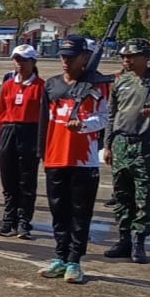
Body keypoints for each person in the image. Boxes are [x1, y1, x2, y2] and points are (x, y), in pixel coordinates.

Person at [37, 36, 109, 284]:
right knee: (59, 211)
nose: (65, 61)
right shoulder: (52, 85)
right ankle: (59, 255)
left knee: (80, 213)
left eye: (71, 57)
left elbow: (104, 118)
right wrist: (42, 153)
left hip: (83, 161)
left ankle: (75, 261)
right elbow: (44, 123)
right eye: (63, 56)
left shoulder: (97, 85)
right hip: (55, 157)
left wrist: (85, 125)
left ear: (85, 58)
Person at [102, 39, 150, 264]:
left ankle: (139, 242)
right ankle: (124, 240)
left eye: (131, 57)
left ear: (145, 58)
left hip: (146, 144)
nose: (126, 61)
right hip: (122, 143)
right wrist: (108, 144)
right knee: (122, 195)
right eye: (124, 57)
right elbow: (112, 116)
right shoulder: (121, 82)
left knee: (145, 196)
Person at [0, 44, 45, 239]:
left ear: (33, 62)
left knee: (27, 180)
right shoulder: (8, 85)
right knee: (9, 179)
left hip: (30, 132)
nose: (19, 64)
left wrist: (42, 142)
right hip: (9, 131)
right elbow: (1, 113)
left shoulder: (41, 86)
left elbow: (44, 116)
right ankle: (9, 219)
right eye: (17, 60)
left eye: (23, 60)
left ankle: (24, 221)